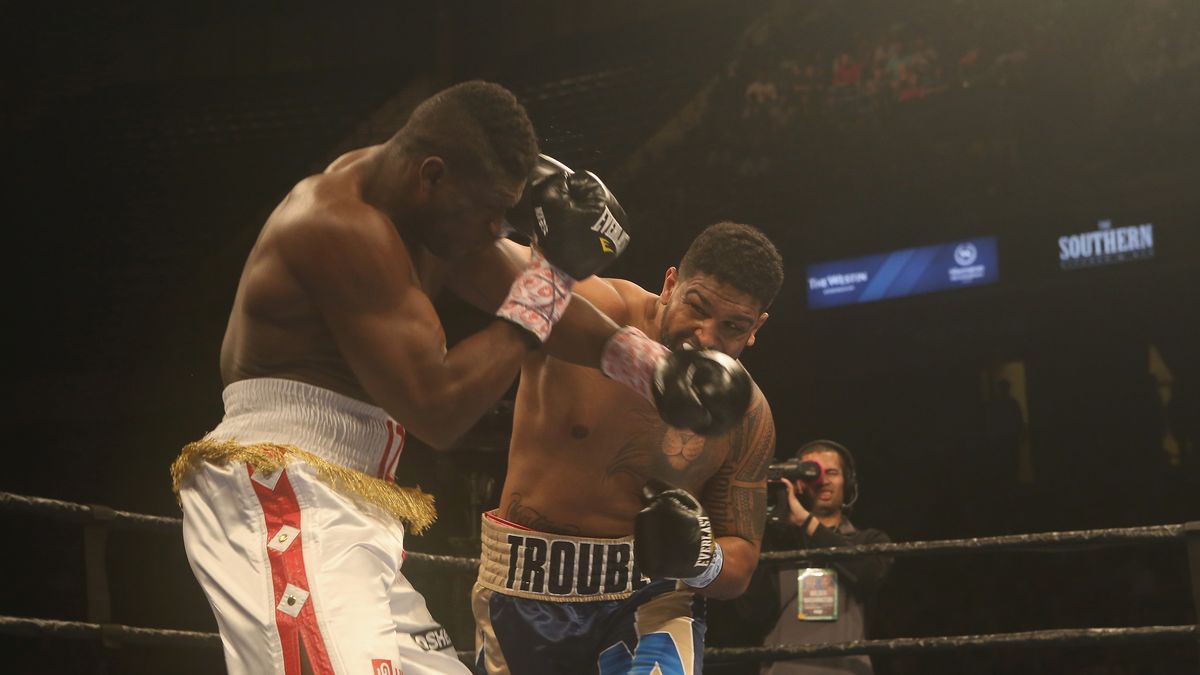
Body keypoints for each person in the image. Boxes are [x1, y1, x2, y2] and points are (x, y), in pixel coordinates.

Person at [170, 81, 750, 675]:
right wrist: (553, 277)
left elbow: (528, 296)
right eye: (492, 209)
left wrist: (658, 370)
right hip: (281, 491)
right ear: (432, 175)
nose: (500, 227)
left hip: (350, 504)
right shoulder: (339, 226)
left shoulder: (434, 220)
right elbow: (439, 409)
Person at [471, 222, 784, 675]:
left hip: (652, 598)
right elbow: (479, 259)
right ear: (670, 284)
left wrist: (700, 558)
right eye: (697, 307)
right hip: (526, 587)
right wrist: (528, 226)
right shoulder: (600, 309)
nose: (706, 336)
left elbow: (742, 563)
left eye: (733, 326)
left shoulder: (747, 414)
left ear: (756, 328)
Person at [758, 440, 892, 675]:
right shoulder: (777, 541)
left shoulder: (869, 540)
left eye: (832, 472)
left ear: (848, 482)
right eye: (813, 474)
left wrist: (805, 521)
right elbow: (748, 611)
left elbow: (868, 576)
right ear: (799, 483)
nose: (823, 481)